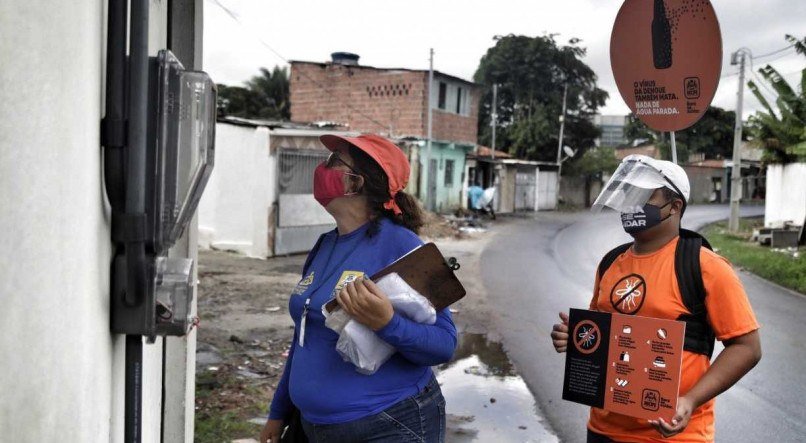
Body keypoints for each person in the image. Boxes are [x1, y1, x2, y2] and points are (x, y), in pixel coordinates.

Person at [260, 134, 457, 443]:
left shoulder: (406, 245)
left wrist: (387, 323)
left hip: (389, 424)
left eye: (332, 161)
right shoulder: (325, 245)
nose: (322, 169)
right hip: (315, 428)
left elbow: (445, 344)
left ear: (355, 182)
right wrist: (278, 412)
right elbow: (303, 337)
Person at [550, 155, 762, 443]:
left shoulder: (706, 267)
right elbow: (600, 334)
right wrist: (574, 337)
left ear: (674, 207)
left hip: (676, 436)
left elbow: (747, 348)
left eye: (643, 197)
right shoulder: (610, 263)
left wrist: (689, 400)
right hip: (603, 430)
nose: (630, 206)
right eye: (628, 196)